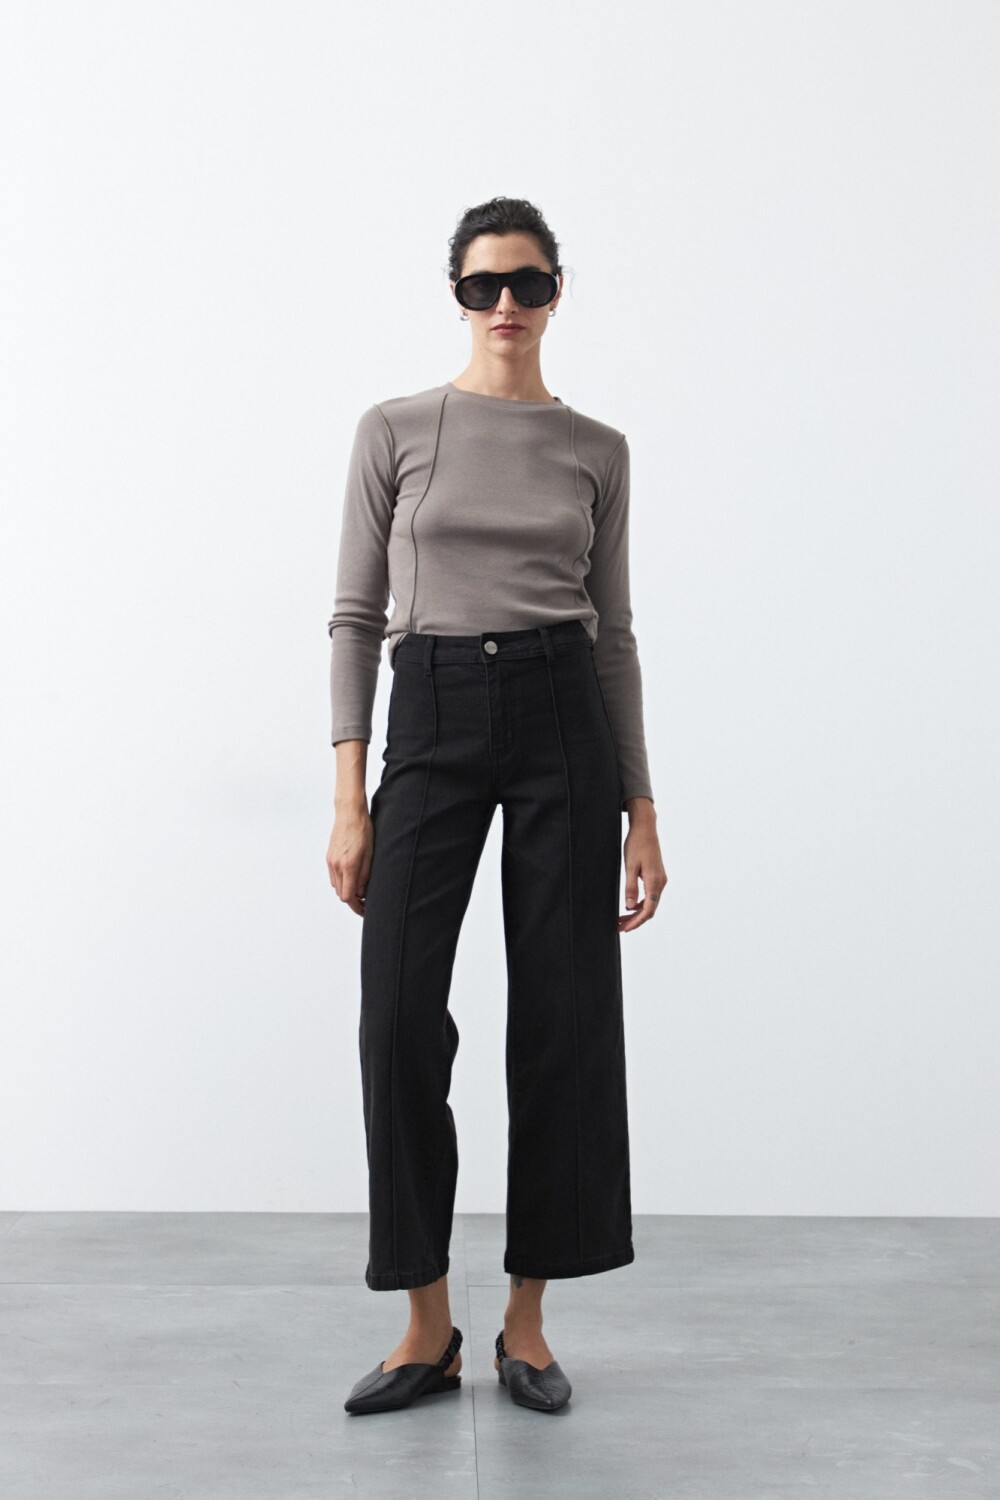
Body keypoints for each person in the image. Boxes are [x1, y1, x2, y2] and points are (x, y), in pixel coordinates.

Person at [325, 196, 668, 1415]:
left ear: (556, 292)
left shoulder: (596, 449)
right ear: (457, 297)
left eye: (525, 283)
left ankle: (527, 1320)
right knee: (397, 1015)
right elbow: (354, 619)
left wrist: (640, 802)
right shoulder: (395, 428)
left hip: (561, 716)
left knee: (564, 1017)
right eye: (483, 286)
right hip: (429, 715)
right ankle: (427, 1324)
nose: (505, 305)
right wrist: (350, 794)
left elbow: (613, 634)